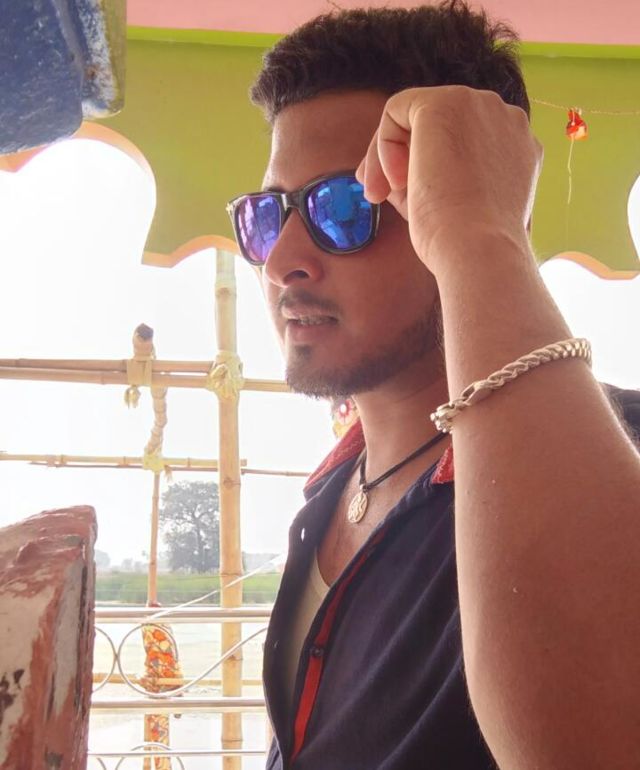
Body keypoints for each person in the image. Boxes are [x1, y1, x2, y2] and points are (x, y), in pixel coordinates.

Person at [226, 2, 640, 768]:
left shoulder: (612, 464)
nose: (281, 260)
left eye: (342, 207)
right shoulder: (329, 495)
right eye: (265, 216)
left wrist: (482, 234)